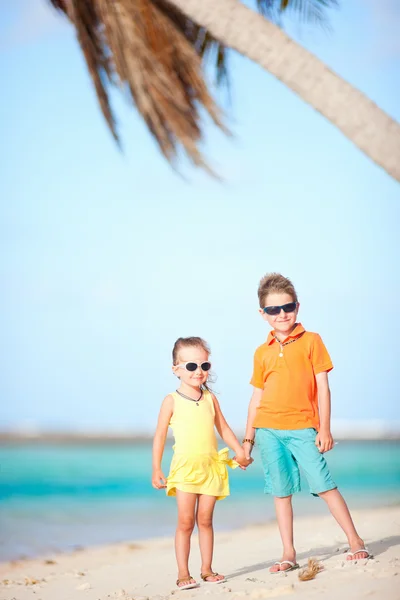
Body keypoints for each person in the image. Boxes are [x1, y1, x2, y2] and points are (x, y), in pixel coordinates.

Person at [242, 273, 370, 574]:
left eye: (286, 307)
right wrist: (247, 441)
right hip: (268, 430)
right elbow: (255, 399)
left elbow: (323, 387)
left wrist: (324, 428)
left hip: (303, 427)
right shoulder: (261, 352)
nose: (281, 314)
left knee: (325, 485)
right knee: (281, 493)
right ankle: (288, 552)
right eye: (273, 310)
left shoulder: (312, 341)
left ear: (297, 307)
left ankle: (355, 540)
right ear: (263, 314)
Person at [152, 336, 252, 590]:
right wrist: (156, 468)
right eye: (191, 366)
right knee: (186, 522)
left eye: (204, 366)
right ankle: (183, 572)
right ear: (176, 369)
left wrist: (240, 452)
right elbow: (160, 437)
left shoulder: (210, 399)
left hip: (211, 468)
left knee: (205, 521)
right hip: (185, 470)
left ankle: (207, 569)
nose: (198, 371)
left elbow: (224, 429)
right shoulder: (171, 401)